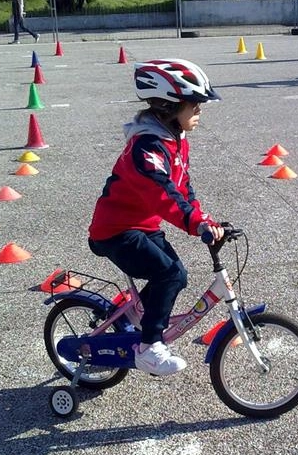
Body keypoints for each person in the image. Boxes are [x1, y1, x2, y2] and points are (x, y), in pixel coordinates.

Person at [88, 59, 224, 376]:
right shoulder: (146, 148)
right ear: (169, 107)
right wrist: (195, 225)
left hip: (143, 227)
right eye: (195, 107)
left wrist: (204, 219)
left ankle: (125, 321)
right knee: (169, 275)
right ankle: (149, 347)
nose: (199, 113)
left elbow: (182, 188)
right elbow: (162, 194)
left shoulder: (174, 141)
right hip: (116, 231)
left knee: (178, 274)